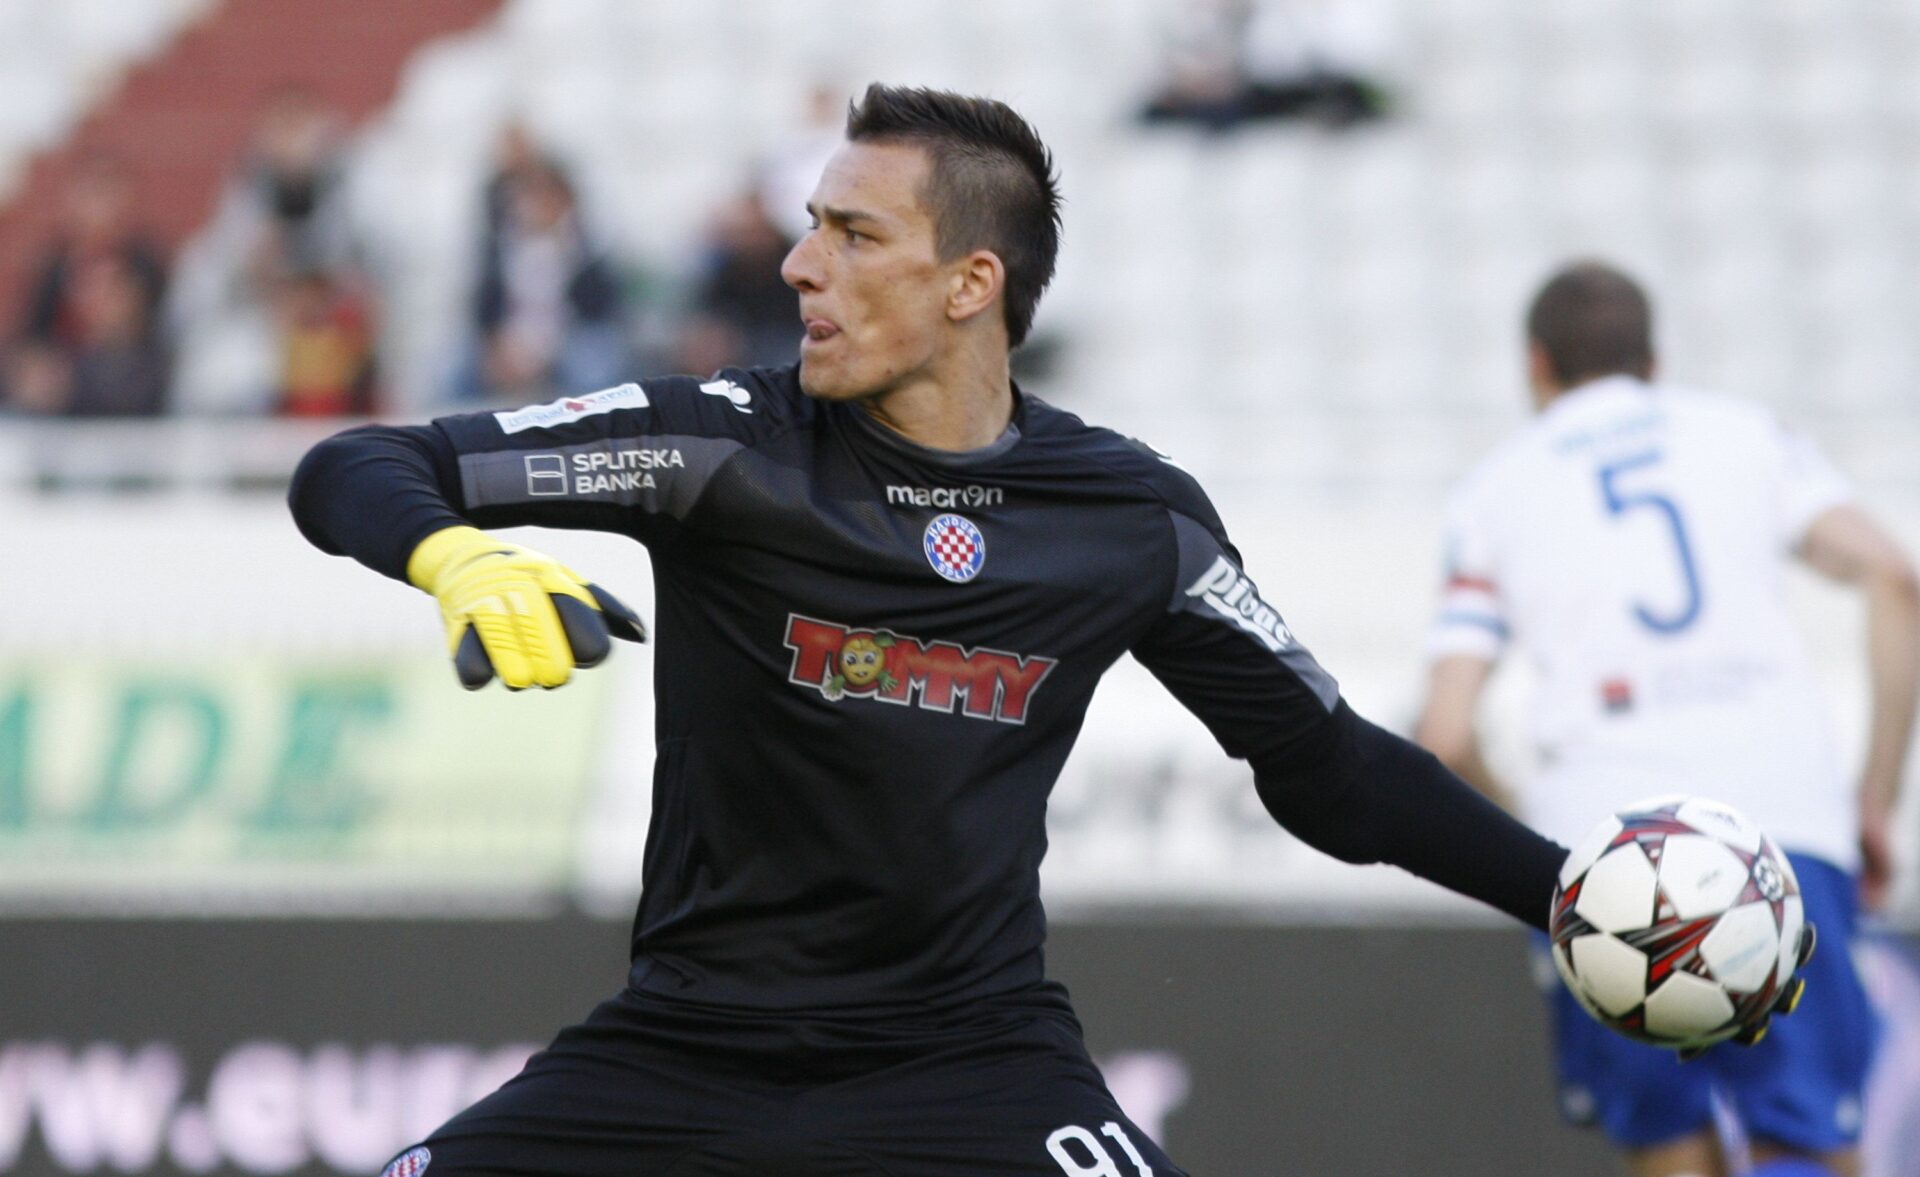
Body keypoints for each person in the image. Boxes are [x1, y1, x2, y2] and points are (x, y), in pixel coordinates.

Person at [298, 87, 1687, 1177]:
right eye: (810, 226)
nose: (799, 265)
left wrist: (1569, 899)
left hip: (970, 1066)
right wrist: (454, 555)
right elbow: (361, 462)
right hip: (681, 1052)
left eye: (854, 235)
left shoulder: (1128, 517)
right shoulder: (720, 443)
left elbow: (1333, 771)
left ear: (971, 284)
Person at [1414, 261, 1920, 1177]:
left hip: (1607, 847)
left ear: (1537, 365)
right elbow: (1894, 576)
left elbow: (1444, 732)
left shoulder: (1495, 490)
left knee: (1669, 1148)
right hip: (1781, 821)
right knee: (1809, 1135)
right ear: (1653, 358)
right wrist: (1875, 797)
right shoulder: (1745, 435)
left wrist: (1537, 840)